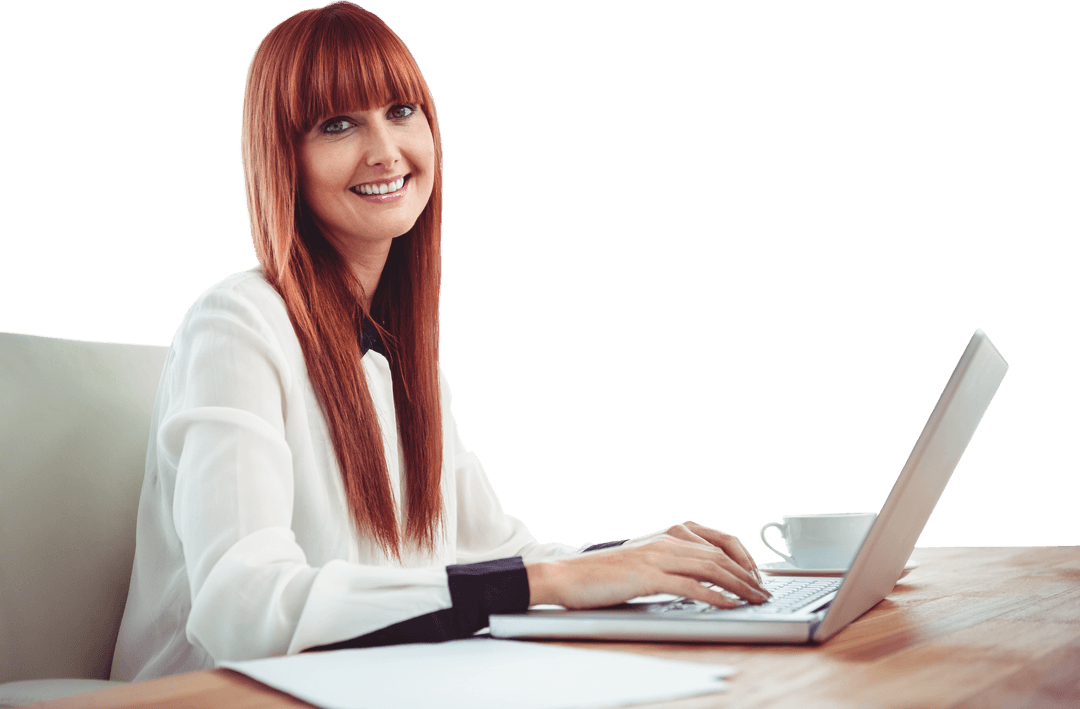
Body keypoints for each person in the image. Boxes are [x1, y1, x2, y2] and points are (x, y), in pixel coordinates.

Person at [110, 0, 770, 682]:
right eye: (338, 124)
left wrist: (637, 557)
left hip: (370, 686)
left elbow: (501, 552)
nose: (385, 150)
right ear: (286, 159)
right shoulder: (236, 325)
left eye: (401, 111)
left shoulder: (402, 360)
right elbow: (242, 609)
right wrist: (552, 579)